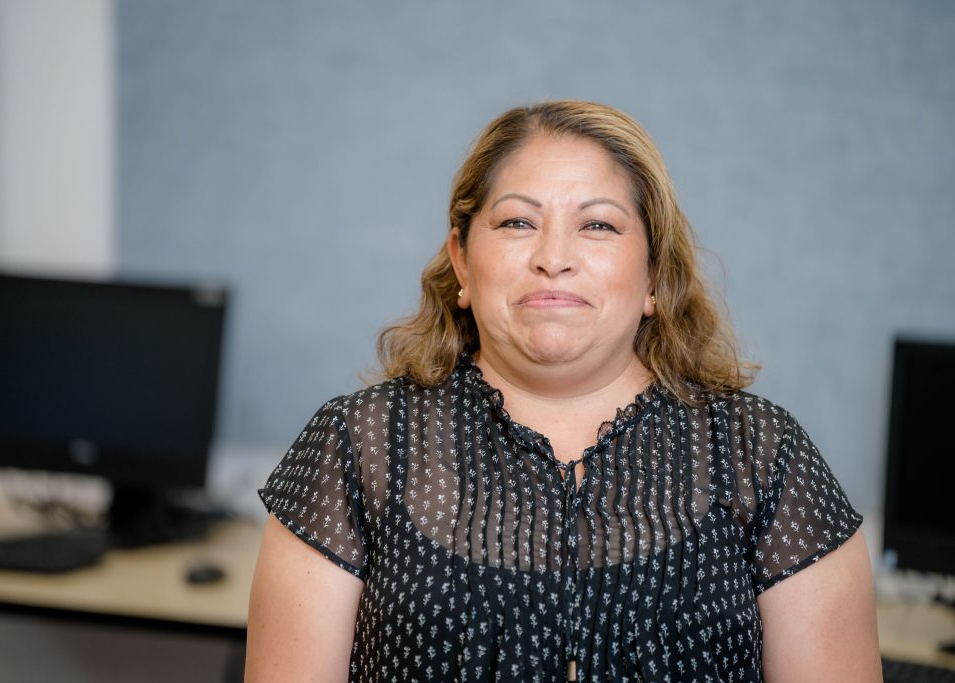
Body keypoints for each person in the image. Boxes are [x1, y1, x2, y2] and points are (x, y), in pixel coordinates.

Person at [245, 100, 881, 682]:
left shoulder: (761, 456)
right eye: (518, 221)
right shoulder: (359, 447)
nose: (554, 257)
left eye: (598, 226)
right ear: (463, 261)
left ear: (655, 272)